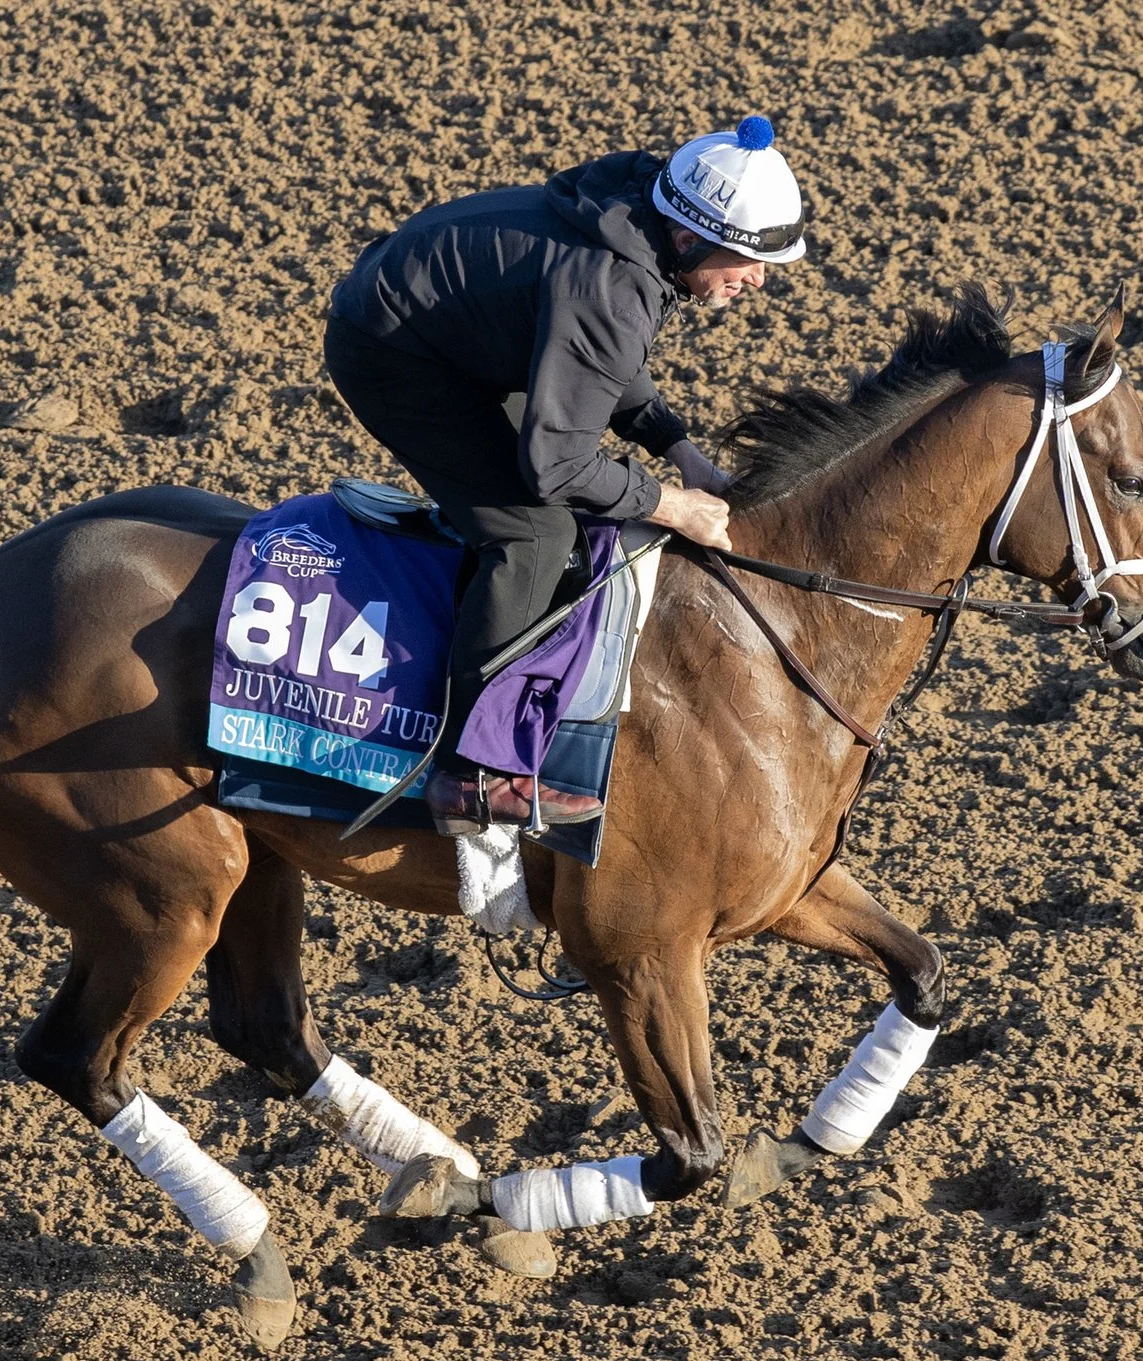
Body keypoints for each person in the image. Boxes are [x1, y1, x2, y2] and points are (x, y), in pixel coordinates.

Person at [323, 116, 808, 834]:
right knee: (533, 535)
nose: (758, 279)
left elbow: (600, 362)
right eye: (747, 258)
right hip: (394, 350)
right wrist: (674, 506)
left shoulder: (641, 222)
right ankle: (469, 774)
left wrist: (678, 447)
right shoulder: (615, 286)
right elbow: (556, 464)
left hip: (459, 329)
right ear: (687, 238)